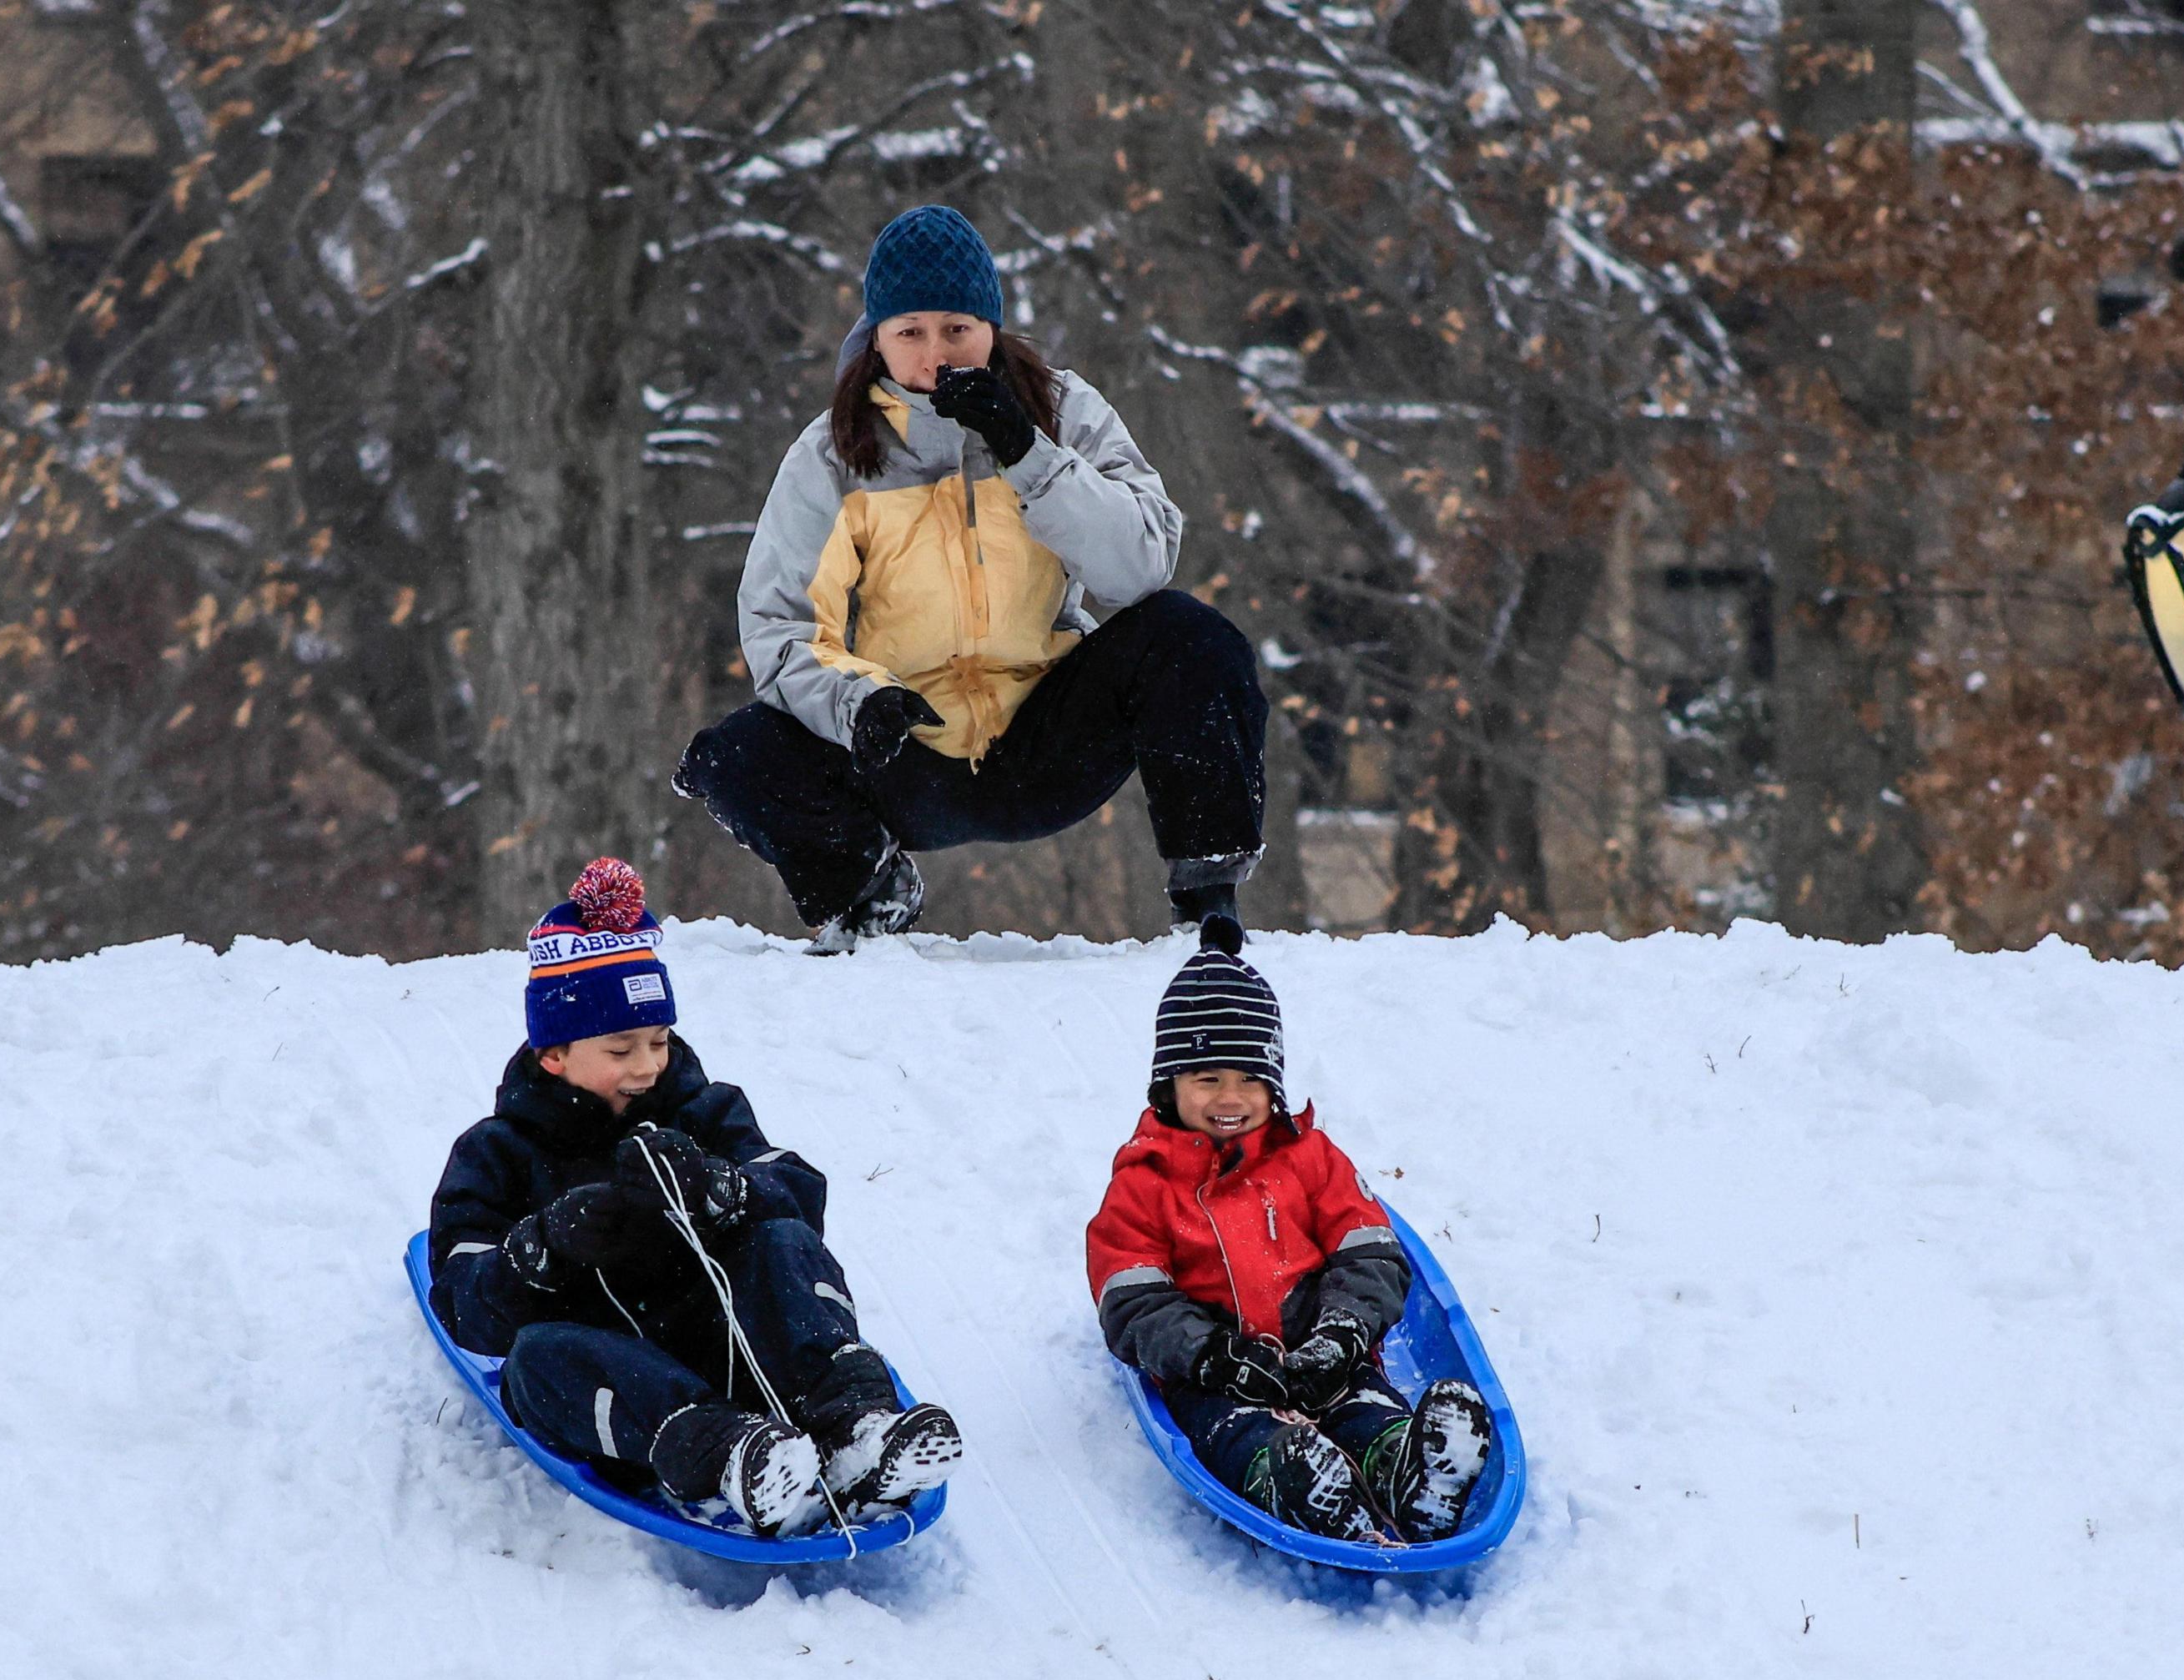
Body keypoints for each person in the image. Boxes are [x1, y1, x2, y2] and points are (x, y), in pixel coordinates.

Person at [674, 204, 1267, 955]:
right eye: (910, 333)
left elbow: (1143, 563)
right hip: (907, 748)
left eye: (958, 329)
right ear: (877, 340)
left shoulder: (1066, 410)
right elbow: (781, 627)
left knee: (1191, 635)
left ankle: (1208, 901)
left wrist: (1027, 451)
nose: (935, 357)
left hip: (1047, 742)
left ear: (991, 327)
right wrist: (860, 702)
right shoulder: (832, 452)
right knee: (736, 753)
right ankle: (868, 888)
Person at [426, 857, 962, 1535]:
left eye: (659, 1040)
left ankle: (859, 1429)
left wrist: (724, 1189)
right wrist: (544, 1246)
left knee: (784, 1241)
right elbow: (461, 1299)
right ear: (552, 1054)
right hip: (627, 1374)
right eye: (621, 1050)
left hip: (729, 1336)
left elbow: (799, 1192)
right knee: (535, 1359)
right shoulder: (496, 1152)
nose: (649, 1065)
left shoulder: (703, 1109)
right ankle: (732, 1459)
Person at [1082, 947, 1492, 1542]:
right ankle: (1296, 1483)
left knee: (1367, 1406)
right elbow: (1134, 1302)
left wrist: (1342, 1332)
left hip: (1326, 1356)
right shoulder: (1143, 1185)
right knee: (1238, 1432)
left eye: (1250, 1078)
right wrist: (1214, 1356)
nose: (1231, 1097)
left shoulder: (1311, 1159)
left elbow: (1370, 1251)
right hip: (1218, 1378)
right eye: (1208, 1079)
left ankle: (1408, 1472)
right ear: (1170, 1083)